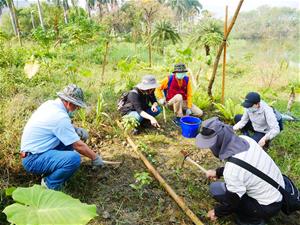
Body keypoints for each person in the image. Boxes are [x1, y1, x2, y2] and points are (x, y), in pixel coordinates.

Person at [195, 117, 284, 225]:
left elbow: (232, 200)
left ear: (218, 143)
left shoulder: (232, 170)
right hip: (279, 190)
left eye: (210, 145)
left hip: (268, 205)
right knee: (217, 188)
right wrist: (217, 172)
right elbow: (244, 167)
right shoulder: (246, 140)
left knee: (217, 191)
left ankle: (254, 221)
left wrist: (217, 212)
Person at [20, 84, 104, 190]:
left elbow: (57, 127)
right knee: (73, 159)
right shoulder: (59, 117)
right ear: (69, 103)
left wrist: (76, 130)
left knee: (68, 144)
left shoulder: (50, 104)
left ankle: (51, 170)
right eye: (76, 105)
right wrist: (95, 157)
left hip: (34, 151)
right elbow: (78, 145)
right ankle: (49, 184)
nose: (77, 108)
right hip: (33, 159)